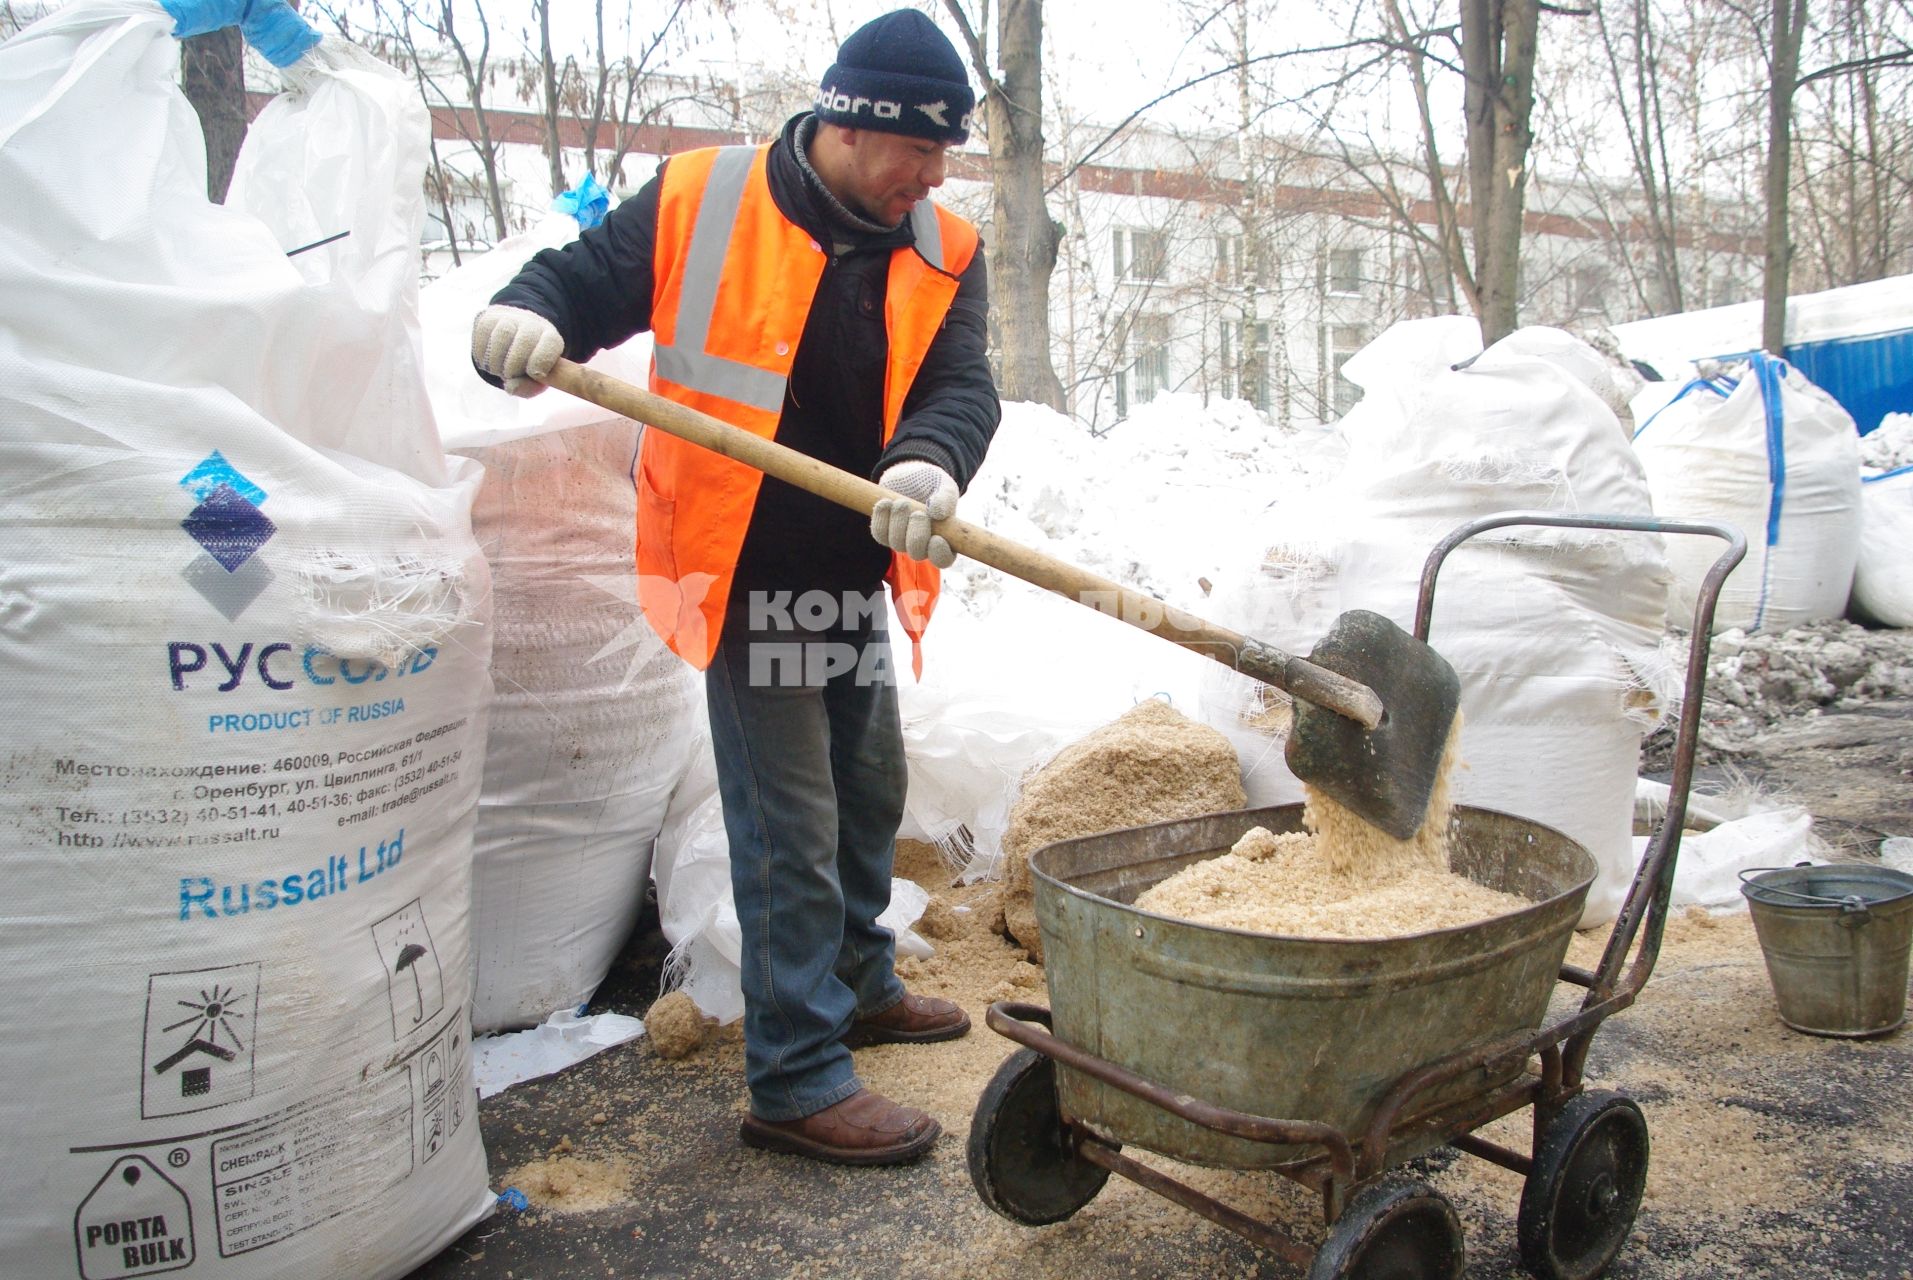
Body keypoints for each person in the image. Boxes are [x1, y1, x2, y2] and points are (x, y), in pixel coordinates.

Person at [471, 9, 1000, 1167]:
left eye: (946, 153)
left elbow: (962, 383)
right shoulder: (702, 200)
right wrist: (525, 318)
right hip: (749, 566)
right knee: (788, 830)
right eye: (918, 149)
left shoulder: (939, 243)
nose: (932, 173)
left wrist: (927, 460)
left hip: (850, 572)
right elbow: (578, 281)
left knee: (867, 795)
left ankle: (859, 982)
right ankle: (797, 1076)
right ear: (852, 125)